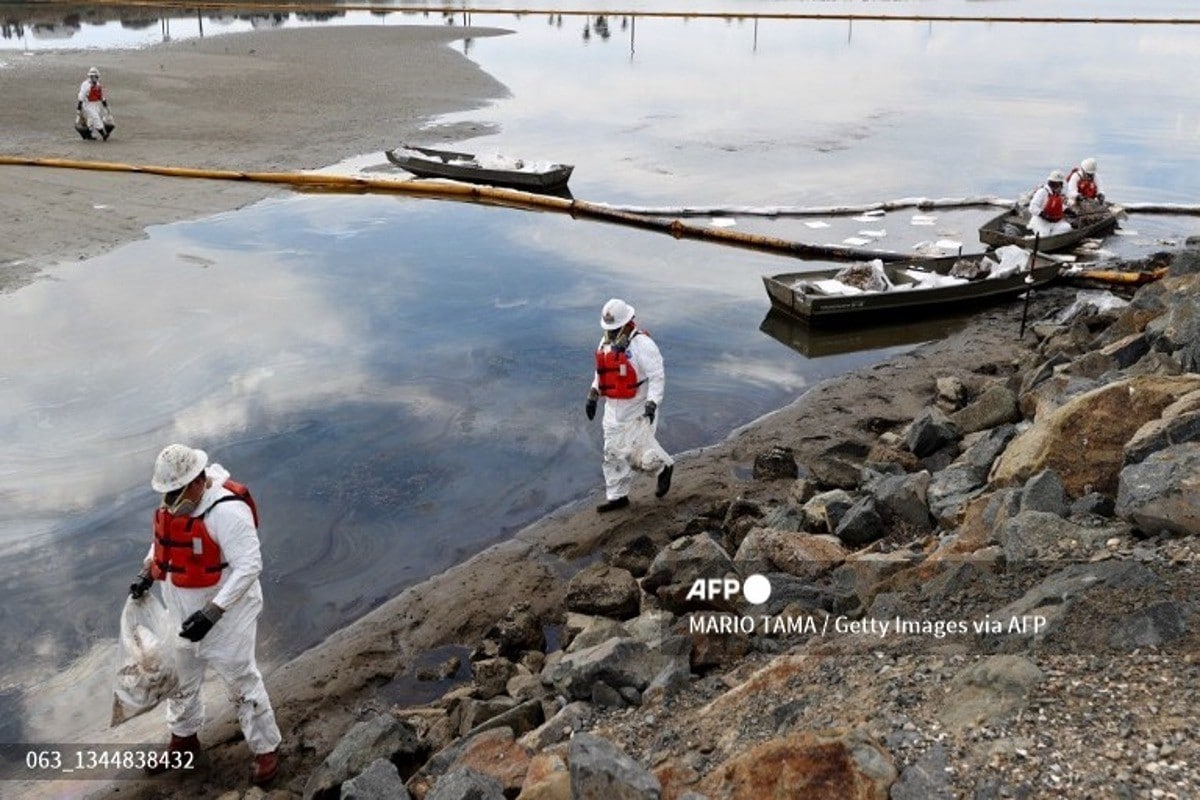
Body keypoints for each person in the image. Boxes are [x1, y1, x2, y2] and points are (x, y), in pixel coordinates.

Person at [128, 444, 281, 785]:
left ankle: (265, 749)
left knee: (241, 681)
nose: (171, 502)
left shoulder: (226, 512)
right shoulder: (171, 506)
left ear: (199, 482)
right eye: (167, 494)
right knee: (180, 681)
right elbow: (163, 543)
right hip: (180, 614)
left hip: (228, 617)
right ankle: (184, 741)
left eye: (178, 492)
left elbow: (249, 566)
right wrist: (146, 574)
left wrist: (213, 611)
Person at [585, 298, 675, 512]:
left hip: (637, 406)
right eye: (610, 328)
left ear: (626, 323)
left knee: (637, 456)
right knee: (612, 453)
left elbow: (657, 376)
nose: (613, 333)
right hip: (613, 408)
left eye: (616, 328)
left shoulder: (642, 345)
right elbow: (602, 373)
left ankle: (664, 468)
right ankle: (617, 497)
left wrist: (652, 403)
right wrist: (593, 394)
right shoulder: (605, 343)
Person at [1027, 170, 1072, 238]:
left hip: (1052, 222)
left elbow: (1057, 205)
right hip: (1040, 221)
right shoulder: (1042, 192)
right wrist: (1043, 215)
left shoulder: (1055, 194)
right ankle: (1037, 237)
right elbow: (1032, 207)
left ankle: (1050, 236)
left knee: (1068, 227)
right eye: (1061, 184)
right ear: (1056, 184)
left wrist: (1067, 210)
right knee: (1044, 236)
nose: (1062, 187)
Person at [76, 66, 110, 141]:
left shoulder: (98, 85)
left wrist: (106, 107)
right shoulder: (85, 84)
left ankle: (88, 135)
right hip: (88, 104)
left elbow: (102, 96)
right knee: (96, 118)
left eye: (94, 76)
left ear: (97, 76)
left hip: (96, 104)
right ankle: (103, 134)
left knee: (91, 120)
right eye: (91, 76)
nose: (93, 78)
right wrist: (79, 108)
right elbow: (81, 96)